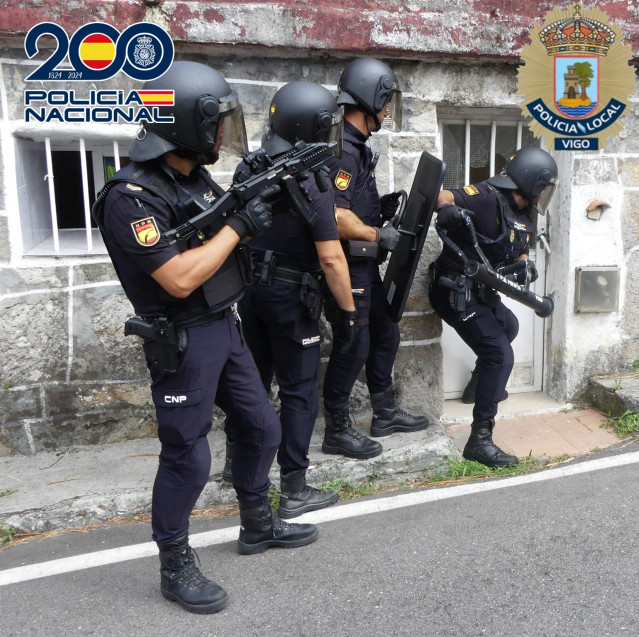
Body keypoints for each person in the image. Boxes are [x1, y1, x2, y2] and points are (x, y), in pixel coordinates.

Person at [92, 61, 318, 615]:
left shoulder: (192, 178)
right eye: (214, 123)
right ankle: (175, 563)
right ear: (186, 124)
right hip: (183, 339)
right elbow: (178, 276)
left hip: (224, 324)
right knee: (187, 457)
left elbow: (216, 233)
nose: (221, 134)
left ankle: (257, 524)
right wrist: (240, 225)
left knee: (262, 427)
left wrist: (255, 203)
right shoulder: (131, 197)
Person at [229, 81, 357, 518]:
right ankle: (295, 489)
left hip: (249, 294)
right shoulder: (313, 178)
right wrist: (349, 313)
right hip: (290, 298)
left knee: (253, 383)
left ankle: (236, 465)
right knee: (299, 390)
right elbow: (331, 257)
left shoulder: (250, 167)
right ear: (314, 127)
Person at [321, 57, 429, 460]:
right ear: (369, 98)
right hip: (347, 265)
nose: (387, 110)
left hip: (364, 263)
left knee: (385, 332)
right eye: (385, 101)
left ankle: (384, 412)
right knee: (354, 342)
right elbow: (333, 214)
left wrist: (377, 211)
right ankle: (337, 427)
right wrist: (376, 233)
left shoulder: (357, 147)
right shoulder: (343, 150)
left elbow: (351, 205)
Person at [429, 146, 559, 468]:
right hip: (453, 289)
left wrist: (525, 265)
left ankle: (479, 385)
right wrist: (448, 212)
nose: (543, 194)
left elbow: (520, 250)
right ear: (528, 180)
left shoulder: (522, 213)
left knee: (509, 327)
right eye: (543, 187)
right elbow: (442, 198)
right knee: (500, 355)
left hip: (481, 291)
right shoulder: (486, 197)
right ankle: (479, 441)